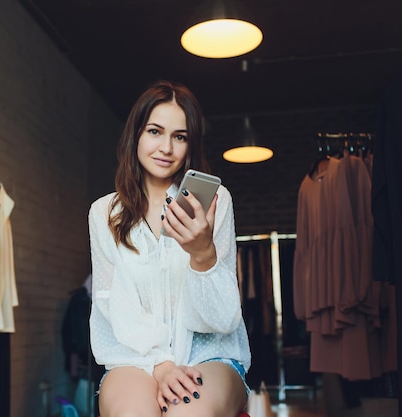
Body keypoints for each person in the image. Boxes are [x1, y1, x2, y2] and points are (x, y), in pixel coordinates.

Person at [88, 80, 251, 417]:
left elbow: (223, 318)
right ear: (135, 135)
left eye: (180, 136)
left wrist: (203, 254)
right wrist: (160, 365)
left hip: (210, 354)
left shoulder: (215, 204)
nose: (166, 147)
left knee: (188, 413)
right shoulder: (104, 213)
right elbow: (110, 305)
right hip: (136, 357)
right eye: (155, 131)